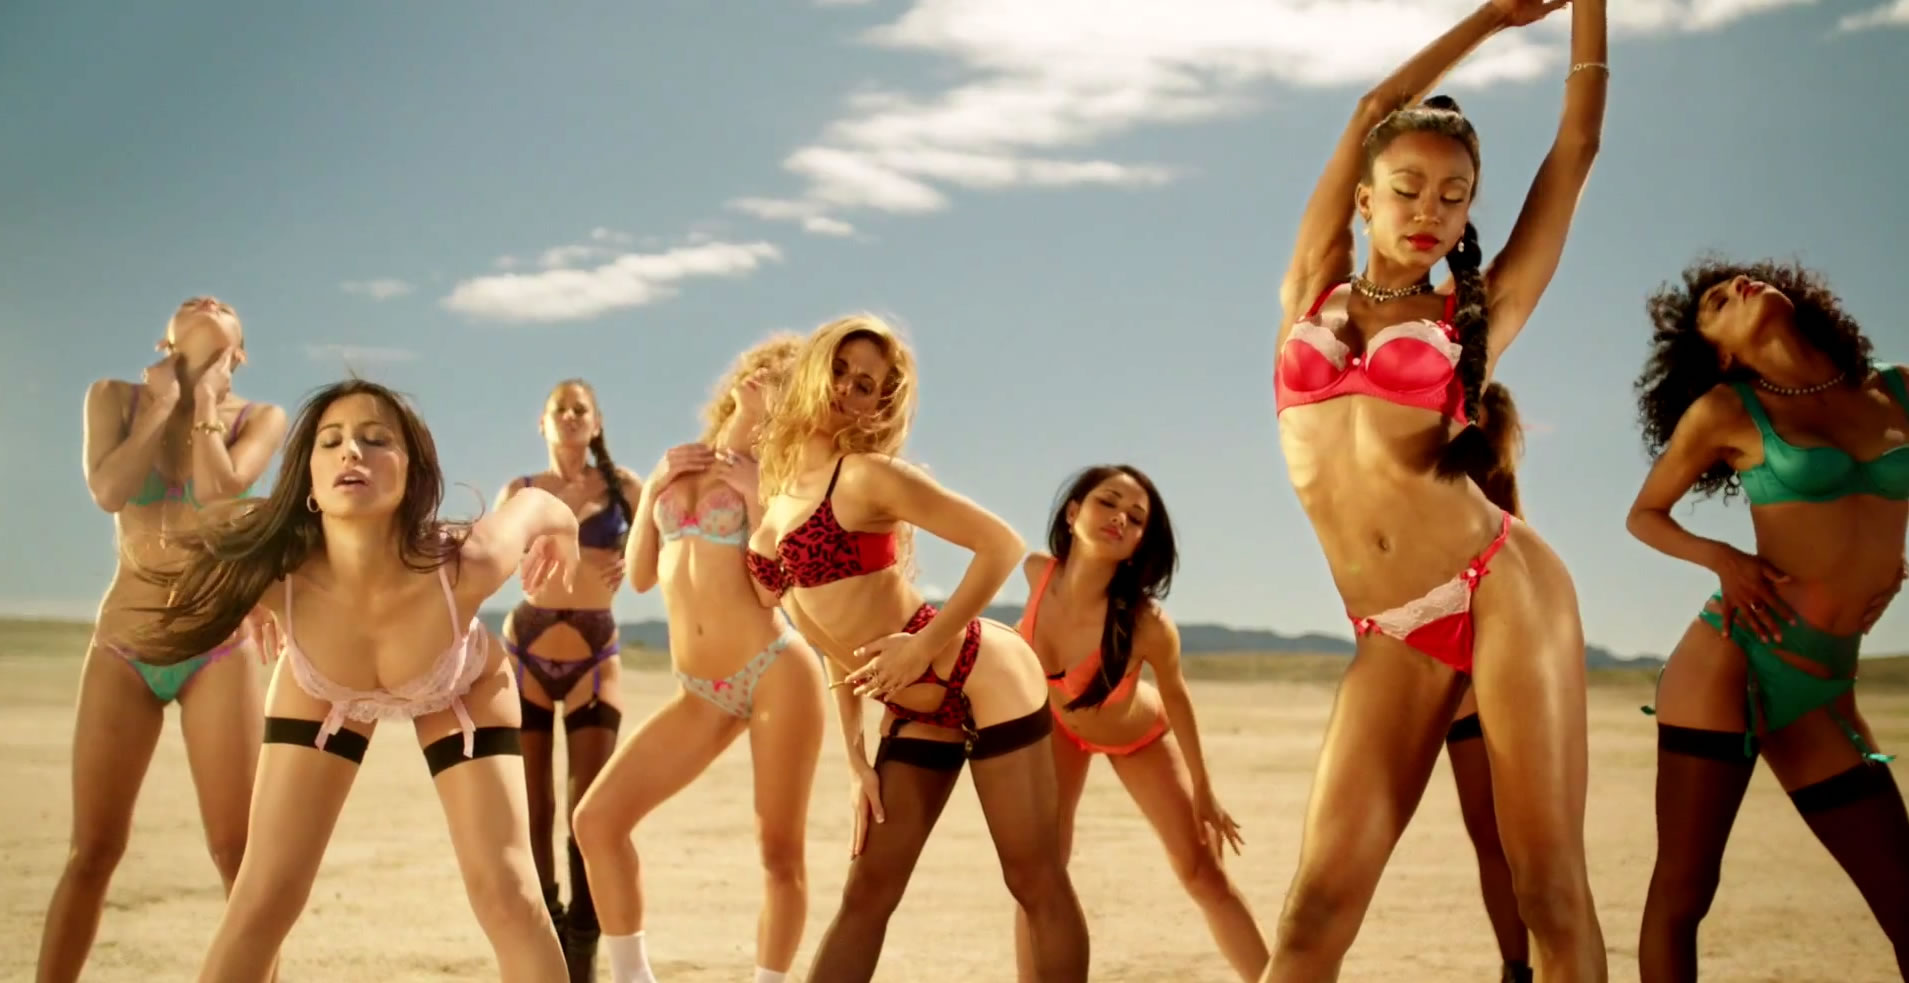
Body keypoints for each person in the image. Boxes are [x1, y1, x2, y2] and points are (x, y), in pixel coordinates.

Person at [1263, 0, 1609, 975]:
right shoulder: (1311, 288)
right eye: (1407, 188)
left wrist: (1589, 9)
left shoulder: (1471, 318)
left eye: (1453, 197)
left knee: (1546, 887)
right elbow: (1371, 105)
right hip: (1392, 625)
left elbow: (1575, 147)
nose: (1428, 211)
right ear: (1363, 199)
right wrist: (1491, 18)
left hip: (1499, 583)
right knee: (1314, 909)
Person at [128, 378, 581, 983]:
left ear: (411, 474)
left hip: (459, 685)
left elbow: (539, 505)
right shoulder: (277, 569)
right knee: (263, 899)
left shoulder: (467, 562)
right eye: (331, 441)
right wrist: (249, 591)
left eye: (376, 440)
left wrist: (565, 535)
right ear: (310, 481)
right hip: (324, 688)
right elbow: (182, 534)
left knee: (510, 897)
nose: (351, 451)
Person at [744, 314, 1090, 982]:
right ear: (813, 369)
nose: (845, 388)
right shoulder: (779, 496)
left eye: (864, 384)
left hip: (980, 669)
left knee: (1032, 877)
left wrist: (921, 645)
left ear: (876, 407)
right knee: (867, 893)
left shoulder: (865, 477)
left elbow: (1000, 544)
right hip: (911, 704)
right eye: (839, 370)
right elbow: (830, 643)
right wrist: (855, 758)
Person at [1626, 257, 1909, 980]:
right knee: (1686, 889)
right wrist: (1723, 558)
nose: (1737, 289)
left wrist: (1893, 561)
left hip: (1825, 682)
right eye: (1717, 303)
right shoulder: (1728, 410)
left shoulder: (1896, 388)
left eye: (1738, 281)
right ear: (1721, 353)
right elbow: (1645, 515)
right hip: (1732, 657)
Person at [37, 297, 288, 983]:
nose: (209, 302)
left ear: (239, 353)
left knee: (237, 855)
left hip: (217, 648)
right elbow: (109, 490)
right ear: (164, 340)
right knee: (93, 850)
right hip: (124, 646)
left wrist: (202, 402)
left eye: (225, 308)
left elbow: (220, 489)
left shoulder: (260, 418)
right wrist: (162, 406)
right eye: (194, 304)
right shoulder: (112, 398)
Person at [572, 335, 827, 983]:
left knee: (778, 852)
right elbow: (638, 577)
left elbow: (773, 590)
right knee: (596, 821)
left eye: (786, 376)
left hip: (775, 669)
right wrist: (655, 484)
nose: (767, 373)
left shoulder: (781, 475)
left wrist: (758, 501)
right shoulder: (680, 464)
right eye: (764, 364)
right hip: (700, 688)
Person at [1007, 464, 1268, 981]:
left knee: (1203, 874)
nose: (1120, 518)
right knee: (1040, 871)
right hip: (1061, 727)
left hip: (1139, 736)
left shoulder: (1147, 624)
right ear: (1073, 512)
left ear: (1140, 542)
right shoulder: (1037, 572)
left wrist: (1204, 789)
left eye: (1135, 517)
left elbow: (1177, 696)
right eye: (1108, 502)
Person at [494, 378, 642, 981]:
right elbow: (493, 557)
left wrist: (638, 555)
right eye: (561, 409)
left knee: (587, 812)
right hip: (524, 648)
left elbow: (664, 552)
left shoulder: (624, 487)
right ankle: (548, 938)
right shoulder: (522, 491)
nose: (572, 416)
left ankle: (583, 944)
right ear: (543, 422)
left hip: (594, 651)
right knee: (534, 806)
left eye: (581, 409)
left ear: (596, 422)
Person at [1446, 382, 1533, 983]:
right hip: (1449, 685)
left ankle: (1524, 966)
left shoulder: (1504, 512)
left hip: (1494, 687)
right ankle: (1516, 967)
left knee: (1510, 839)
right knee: (1489, 836)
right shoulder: (1423, 488)